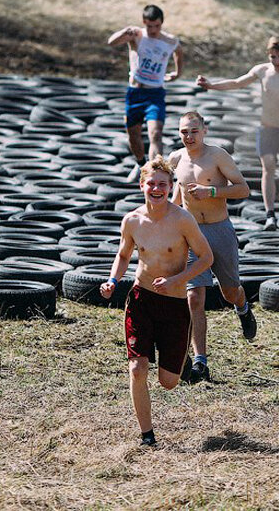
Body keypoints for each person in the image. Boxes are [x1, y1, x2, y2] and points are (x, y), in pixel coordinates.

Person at [100, 155, 213, 447]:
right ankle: (147, 435)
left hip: (175, 305)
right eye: (151, 183)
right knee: (137, 369)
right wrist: (113, 280)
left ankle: (182, 361)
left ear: (170, 186)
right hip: (141, 299)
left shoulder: (183, 220)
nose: (157, 189)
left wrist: (177, 280)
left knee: (168, 382)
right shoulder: (132, 220)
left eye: (162, 184)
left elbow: (206, 257)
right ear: (142, 186)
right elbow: (124, 255)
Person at [195, 36, 279, 231]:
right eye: (272, 57)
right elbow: (237, 82)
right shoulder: (261, 70)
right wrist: (211, 85)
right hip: (267, 130)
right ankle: (270, 215)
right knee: (268, 167)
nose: (276, 61)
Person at [169, 111, 256, 383]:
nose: (189, 136)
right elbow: (176, 198)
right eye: (184, 131)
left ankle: (242, 307)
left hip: (220, 230)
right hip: (193, 233)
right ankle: (200, 361)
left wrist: (213, 192)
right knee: (194, 296)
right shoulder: (176, 160)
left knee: (230, 291)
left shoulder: (217, 156)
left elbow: (243, 189)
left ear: (204, 130)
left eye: (194, 131)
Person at [107, 5, 183, 181]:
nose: (153, 30)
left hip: (155, 93)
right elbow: (111, 42)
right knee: (133, 135)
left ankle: (156, 172)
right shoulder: (137, 36)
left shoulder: (170, 41)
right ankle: (140, 163)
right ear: (144, 23)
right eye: (149, 26)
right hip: (135, 92)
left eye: (157, 26)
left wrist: (178, 73)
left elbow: (179, 52)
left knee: (155, 133)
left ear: (162, 23)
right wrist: (124, 32)